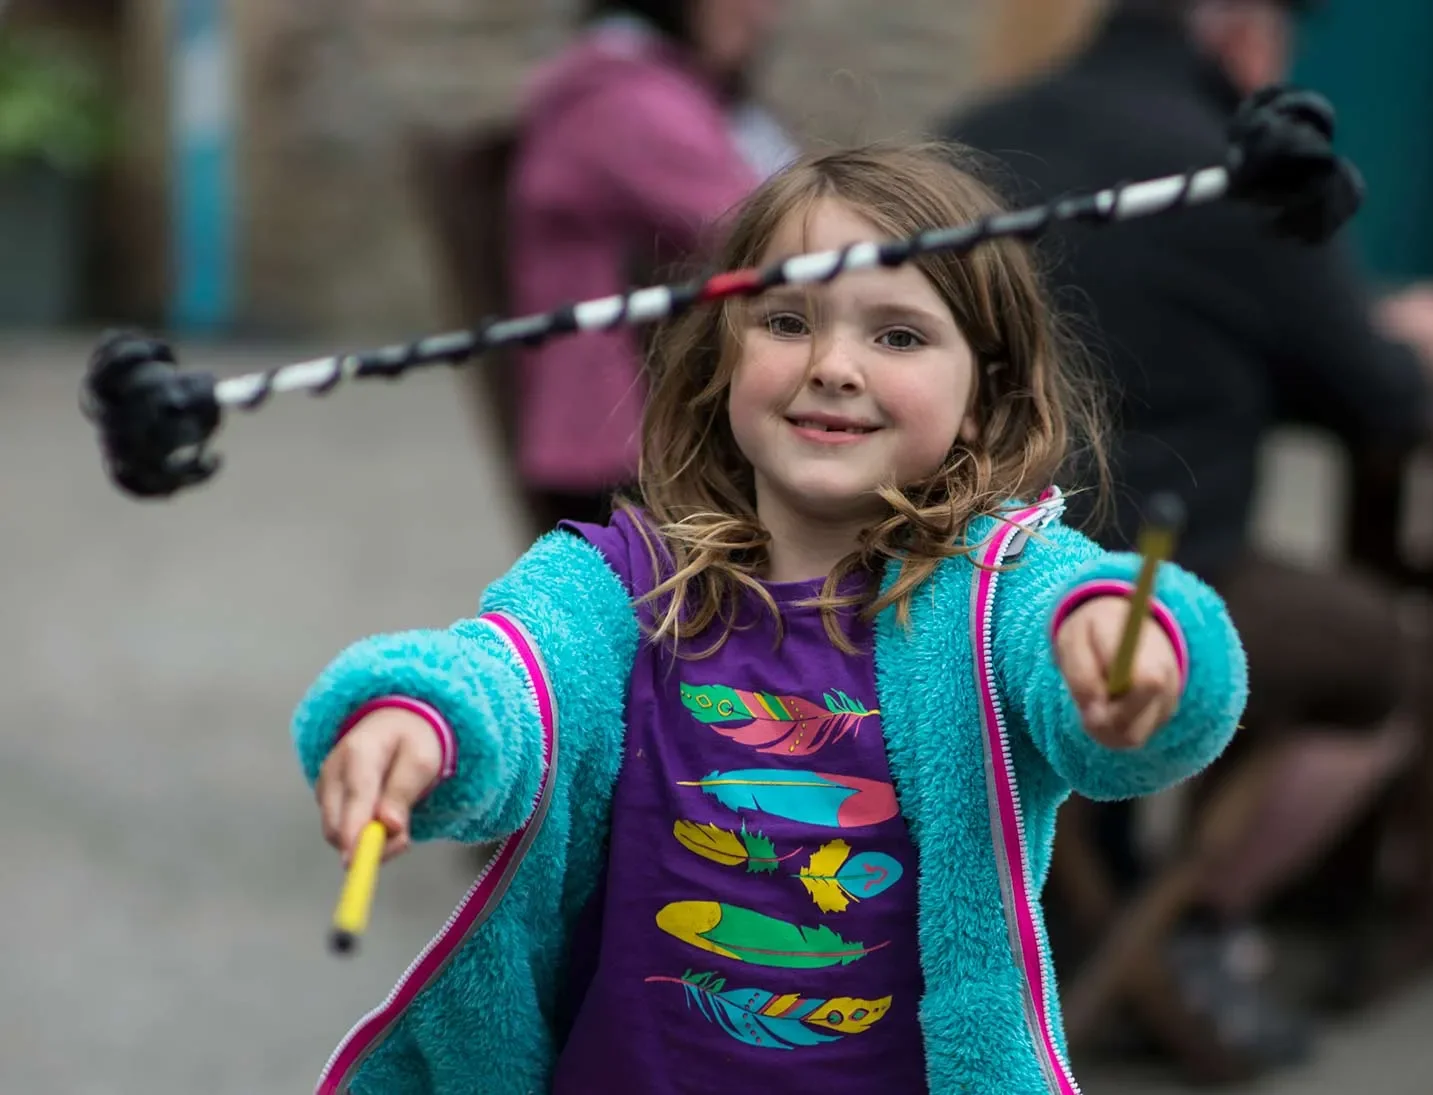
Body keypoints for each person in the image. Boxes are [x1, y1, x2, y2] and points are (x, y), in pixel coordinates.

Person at [292, 143, 1249, 1094]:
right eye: (788, 319)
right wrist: (417, 718)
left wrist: (1132, 652)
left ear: (982, 400)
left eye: (899, 336)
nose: (833, 365)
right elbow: (504, 674)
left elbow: (1090, 638)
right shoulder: (618, 584)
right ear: (722, 356)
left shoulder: (996, 590)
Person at [943, 0, 1433, 1072]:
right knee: (1390, 666)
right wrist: (1413, 341)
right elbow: (1380, 402)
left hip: (959, 568)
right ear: (1237, 32)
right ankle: (1193, 929)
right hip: (1146, 576)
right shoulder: (1230, 174)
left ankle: (1108, 910)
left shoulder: (971, 134)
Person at [505, 0, 793, 531]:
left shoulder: (648, 84)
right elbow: (775, 234)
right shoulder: (627, 98)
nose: (767, 14)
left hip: (644, 431)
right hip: (617, 438)